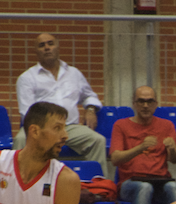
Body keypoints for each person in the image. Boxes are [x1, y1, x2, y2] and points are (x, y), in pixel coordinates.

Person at [14, 33, 110, 177]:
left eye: (50, 43)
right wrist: (47, 128)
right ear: (36, 51)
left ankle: (99, 186)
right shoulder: (27, 78)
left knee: (97, 140)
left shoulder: (74, 73)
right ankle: (18, 181)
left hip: (70, 127)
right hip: (41, 128)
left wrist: (90, 109)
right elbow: (27, 112)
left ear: (57, 47)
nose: (47, 48)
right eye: (42, 45)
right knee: (20, 139)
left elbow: (89, 95)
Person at [110, 86, 176, 204]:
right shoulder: (121, 125)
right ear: (134, 104)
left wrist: (172, 149)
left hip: (160, 181)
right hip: (130, 184)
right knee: (144, 188)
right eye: (141, 101)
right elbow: (115, 158)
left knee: (173, 188)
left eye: (150, 101)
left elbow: (175, 160)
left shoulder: (166, 125)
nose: (145, 105)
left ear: (156, 104)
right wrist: (140, 147)